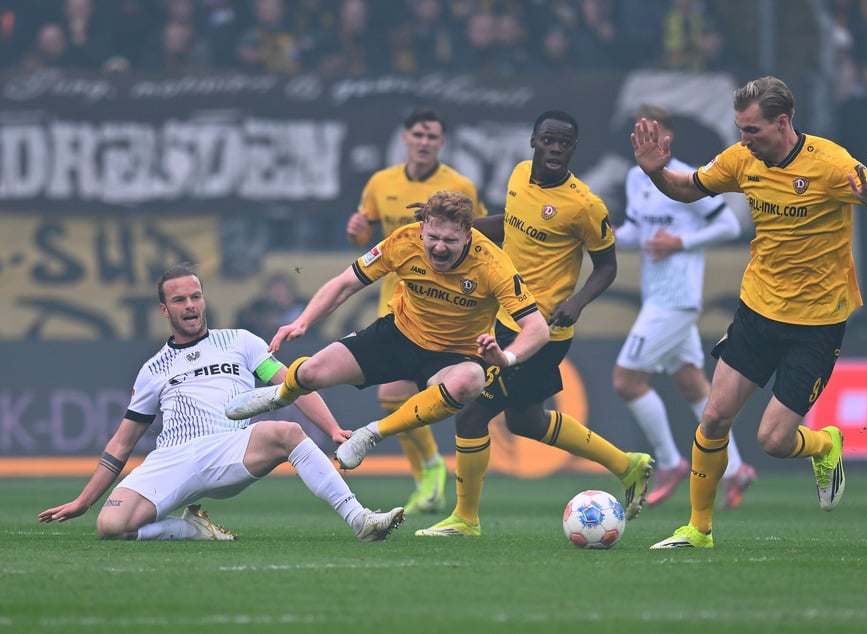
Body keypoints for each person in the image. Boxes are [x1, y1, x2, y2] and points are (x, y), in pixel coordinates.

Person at [631, 76, 867, 549]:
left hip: (818, 323)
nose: (744, 139)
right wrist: (656, 172)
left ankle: (825, 445)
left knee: (773, 441)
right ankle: (697, 529)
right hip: (758, 310)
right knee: (715, 416)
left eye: (753, 130)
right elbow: (686, 188)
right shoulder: (742, 160)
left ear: (782, 123)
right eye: (740, 129)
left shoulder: (828, 164)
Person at [415, 110, 655, 537]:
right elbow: (509, 227)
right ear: (533, 141)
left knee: (471, 415)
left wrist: (577, 303)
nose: (556, 149)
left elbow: (607, 266)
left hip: (541, 332)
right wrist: (452, 225)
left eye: (565, 142)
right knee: (525, 422)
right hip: (505, 317)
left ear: (574, 149)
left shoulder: (584, 205)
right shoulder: (520, 174)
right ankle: (626, 464)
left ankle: (465, 520)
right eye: (549, 140)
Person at [38, 264, 405, 542]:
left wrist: (330, 428)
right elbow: (122, 442)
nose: (190, 305)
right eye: (179, 300)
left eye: (195, 296)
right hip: (172, 458)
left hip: (228, 447)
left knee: (288, 432)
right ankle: (190, 530)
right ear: (165, 310)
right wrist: (83, 501)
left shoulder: (240, 341)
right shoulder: (153, 369)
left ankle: (360, 519)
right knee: (111, 527)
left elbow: (292, 383)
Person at [224, 191, 552, 485]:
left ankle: (372, 433)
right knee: (309, 373)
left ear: (468, 236)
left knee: (471, 380)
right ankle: (279, 395)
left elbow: (537, 328)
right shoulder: (403, 241)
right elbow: (345, 284)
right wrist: (303, 321)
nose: (439, 247)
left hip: (454, 354)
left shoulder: (493, 264)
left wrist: (506, 357)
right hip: (397, 335)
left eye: (450, 241)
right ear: (422, 229)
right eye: (433, 237)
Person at [612, 103, 756, 511]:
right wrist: (595, 233)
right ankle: (737, 469)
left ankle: (672, 462)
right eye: (639, 130)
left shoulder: (688, 179)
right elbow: (637, 233)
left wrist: (681, 242)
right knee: (692, 384)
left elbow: (730, 225)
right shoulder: (633, 178)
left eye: (653, 131)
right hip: (656, 296)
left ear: (668, 136)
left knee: (626, 381)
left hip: (677, 300)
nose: (645, 137)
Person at [346, 107, 488, 515]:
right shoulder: (380, 182)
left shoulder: (459, 185)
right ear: (405, 137)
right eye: (418, 134)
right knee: (392, 394)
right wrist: (356, 229)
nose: (424, 142)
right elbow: (364, 233)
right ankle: (429, 471)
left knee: (434, 392)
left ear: (441, 142)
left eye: (432, 136)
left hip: (446, 307)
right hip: (397, 302)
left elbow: (475, 239)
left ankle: (438, 474)